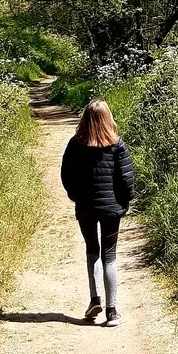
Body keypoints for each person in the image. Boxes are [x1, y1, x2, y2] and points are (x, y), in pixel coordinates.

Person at [59, 100, 135, 327]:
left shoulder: (75, 145)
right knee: (109, 255)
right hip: (112, 209)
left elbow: (66, 175)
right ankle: (112, 311)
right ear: (107, 118)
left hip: (86, 207)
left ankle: (95, 300)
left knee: (92, 250)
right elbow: (126, 180)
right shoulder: (117, 145)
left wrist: (76, 196)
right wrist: (124, 202)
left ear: (85, 119)